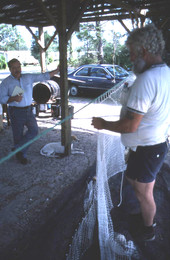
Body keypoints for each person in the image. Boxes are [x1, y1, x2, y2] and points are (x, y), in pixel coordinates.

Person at [92, 24, 170, 241]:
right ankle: (142, 219)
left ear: (143, 51)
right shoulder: (165, 72)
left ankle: (148, 230)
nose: (131, 57)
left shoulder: (146, 80)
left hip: (148, 148)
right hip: (149, 146)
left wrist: (103, 123)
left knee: (144, 193)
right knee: (138, 185)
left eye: (132, 52)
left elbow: (129, 126)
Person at [0, 58, 59, 164]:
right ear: (9, 69)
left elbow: (43, 76)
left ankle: (17, 148)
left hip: (28, 110)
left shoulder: (28, 77)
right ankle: (21, 156)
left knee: (34, 131)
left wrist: (56, 70)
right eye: (14, 68)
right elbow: (1, 98)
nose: (17, 69)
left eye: (18, 67)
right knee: (18, 135)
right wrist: (13, 98)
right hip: (15, 111)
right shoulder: (6, 82)